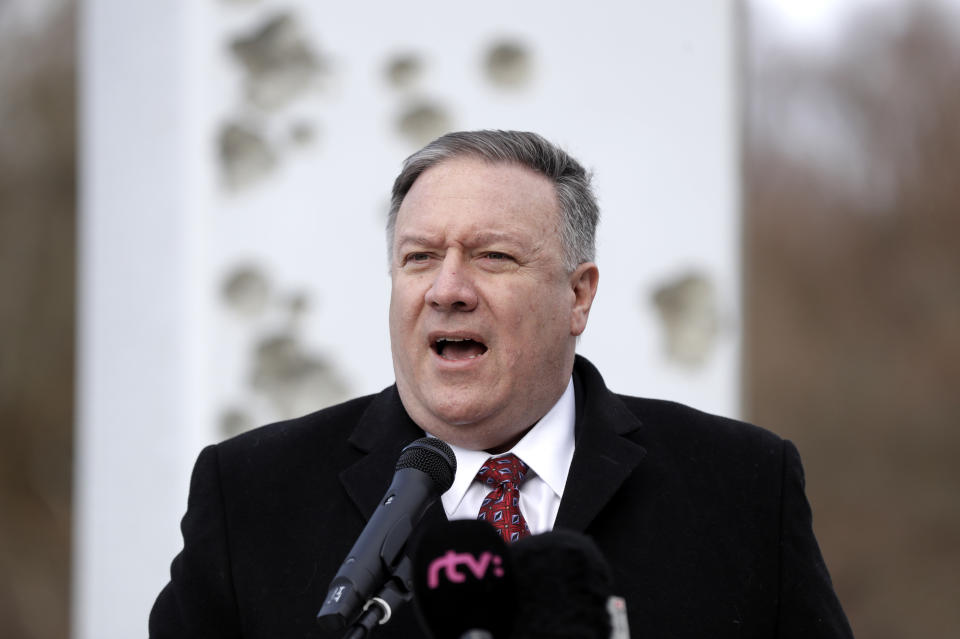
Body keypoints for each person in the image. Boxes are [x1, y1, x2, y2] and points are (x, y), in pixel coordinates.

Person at [150, 130, 854, 638]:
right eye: (419, 257)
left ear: (578, 296)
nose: (447, 289)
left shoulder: (743, 484)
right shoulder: (250, 494)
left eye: (493, 256)